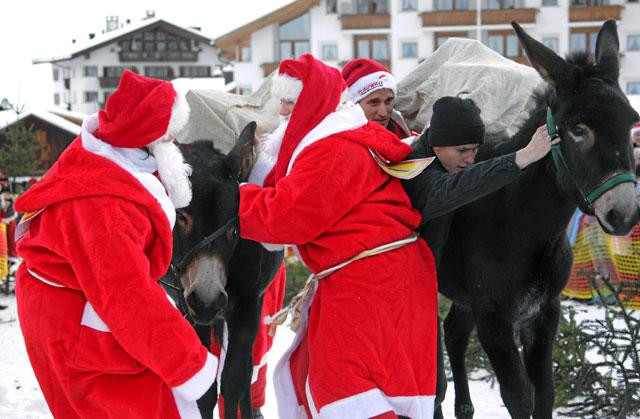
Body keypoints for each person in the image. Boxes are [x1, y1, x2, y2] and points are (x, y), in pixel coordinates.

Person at [239, 54, 438, 418]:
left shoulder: (332, 150)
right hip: (376, 279)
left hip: (370, 284)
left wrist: (233, 198)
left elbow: (287, 219)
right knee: (326, 378)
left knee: (347, 389)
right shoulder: (338, 139)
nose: (281, 111)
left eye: (289, 102)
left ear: (309, 105)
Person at [14, 71, 217, 418]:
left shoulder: (108, 159)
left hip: (68, 305)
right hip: (75, 324)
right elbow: (128, 296)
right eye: (169, 138)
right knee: (133, 404)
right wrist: (190, 363)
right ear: (149, 138)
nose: (174, 147)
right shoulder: (105, 209)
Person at [402, 96, 553, 417]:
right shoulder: (418, 170)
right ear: (438, 143)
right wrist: (520, 159)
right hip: (400, 293)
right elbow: (456, 188)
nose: (471, 159)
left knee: (431, 387)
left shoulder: (444, 156)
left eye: (475, 150)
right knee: (423, 388)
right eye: (462, 151)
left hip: (423, 285)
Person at [342, 58, 415, 139]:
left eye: (388, 101)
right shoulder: (340, 146)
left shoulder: (406, 135)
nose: (383, 113)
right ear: (353, 105)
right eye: (374, 102)